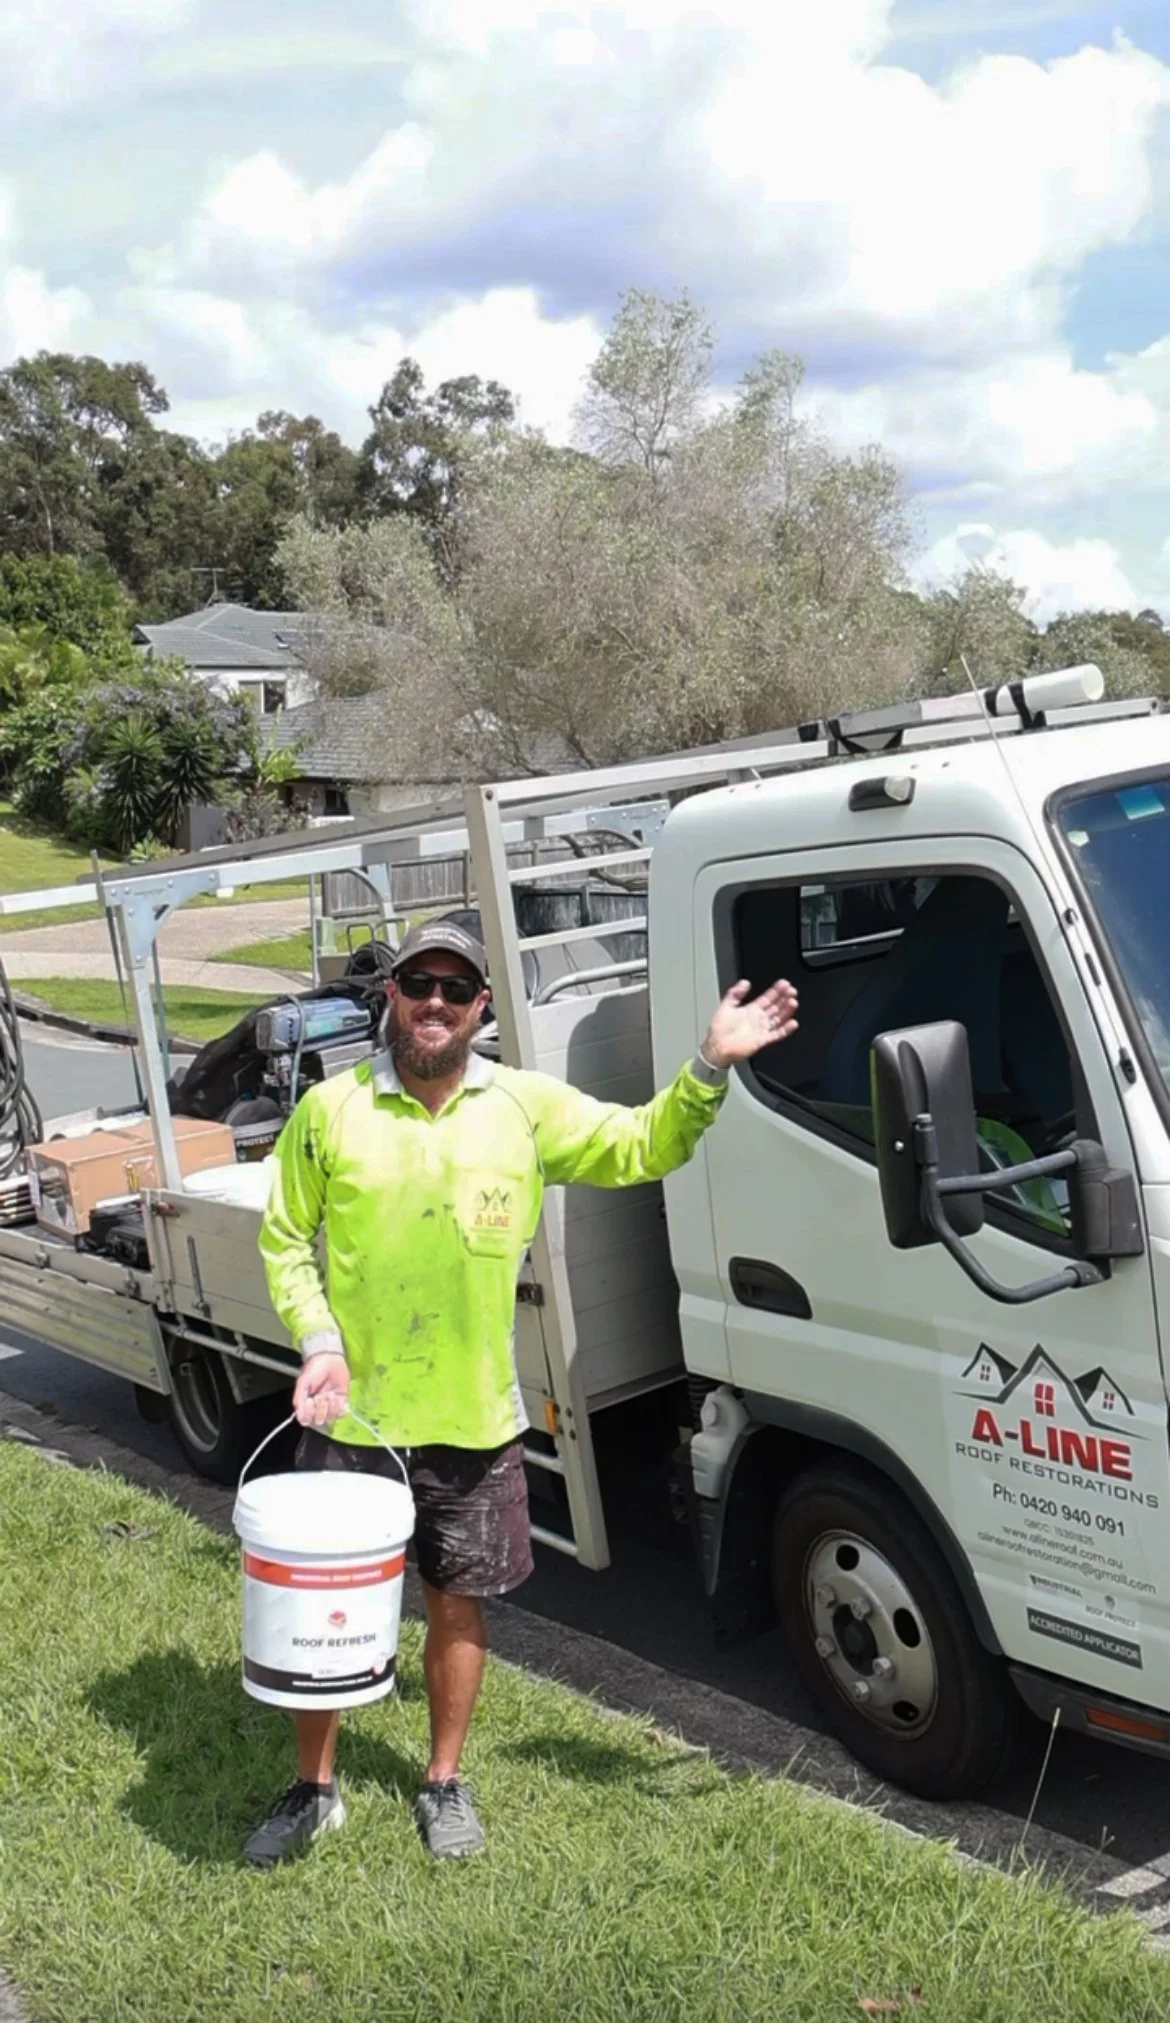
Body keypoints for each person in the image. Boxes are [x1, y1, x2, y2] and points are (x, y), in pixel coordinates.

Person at [247, 918, 798, 1867]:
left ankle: (443, 1780)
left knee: (457, 1604)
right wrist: (320, 1340)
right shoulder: (330, 1111)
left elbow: (640, 1145)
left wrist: (709, 1066)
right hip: (352, 1416)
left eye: (455, 989)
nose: (433, 1002)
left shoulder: (524, 1106)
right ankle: (316, 1787)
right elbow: (286, 1237)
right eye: (417, 981)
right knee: (326, 1612)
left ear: (480, 1009)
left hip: (473, 1417)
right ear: (391, 995)